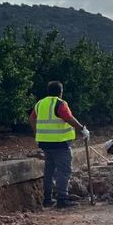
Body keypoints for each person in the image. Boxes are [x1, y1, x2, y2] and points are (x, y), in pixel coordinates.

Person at [28, 81, 89, 209]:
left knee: (49, 171)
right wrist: (82, 129)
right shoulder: (60, 103)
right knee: (63, 171)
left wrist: (37, 133)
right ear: (60, 92)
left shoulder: (40, 103)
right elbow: (68, 118)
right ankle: (62, 199)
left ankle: (47, 199)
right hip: (60, 143)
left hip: (45, 143)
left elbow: (32, 118)